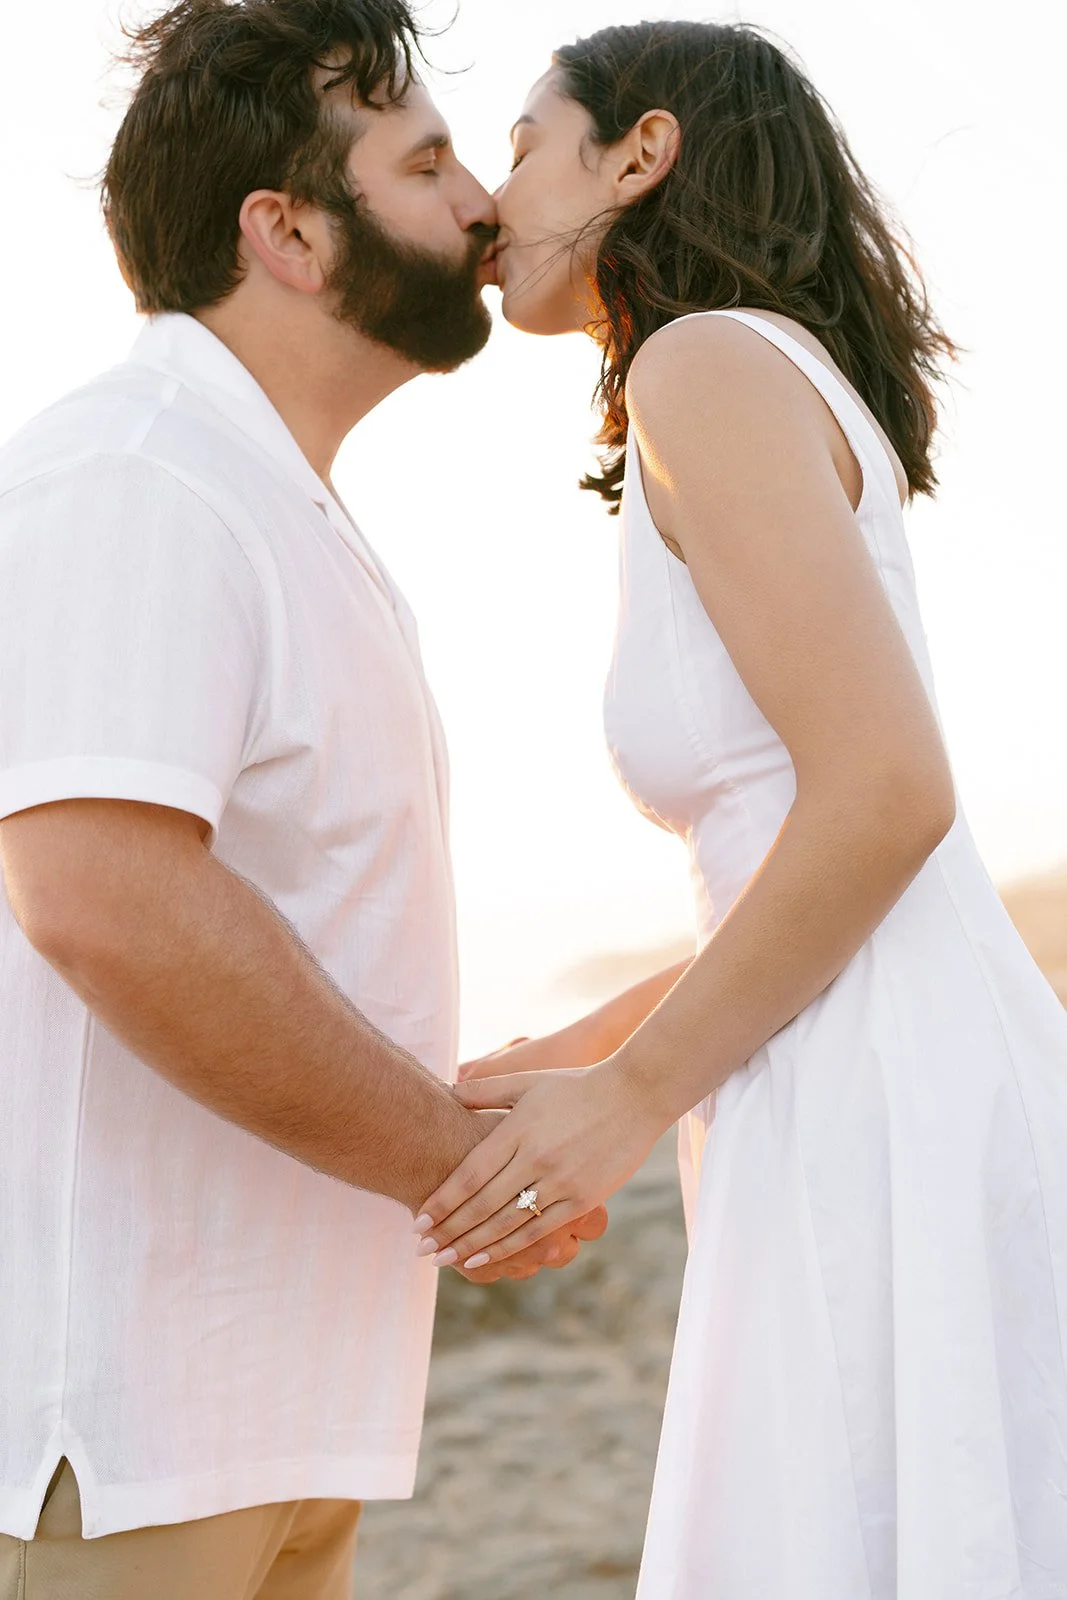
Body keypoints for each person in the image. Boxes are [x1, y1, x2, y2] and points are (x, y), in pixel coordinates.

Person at [415, 21, 1067, 1597]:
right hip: (858, 1046)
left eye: (519, 144)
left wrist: (631, 1094)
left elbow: (891, 798)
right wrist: (583, 1050)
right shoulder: (737, 376)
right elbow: (818, 846)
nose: (491, 200)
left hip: (872, 1088)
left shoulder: (701, 360)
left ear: (639, 154)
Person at [0, 3, 607, 1596]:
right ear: (285, 230)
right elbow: (102, 898)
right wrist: (449, 1166)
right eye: (425, 163)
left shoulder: (278, 507)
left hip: (272, 1417)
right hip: (111, 1440)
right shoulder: (137, 472)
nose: (482, 204)